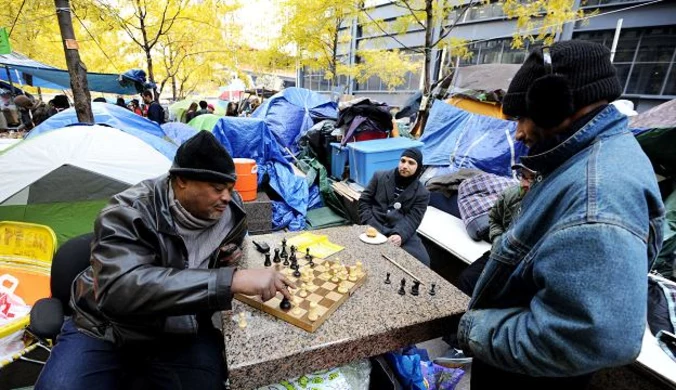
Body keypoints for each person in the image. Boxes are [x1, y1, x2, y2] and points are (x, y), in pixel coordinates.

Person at [456, 40, 665, 389]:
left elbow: (596, 338)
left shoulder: (598, 196)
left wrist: (473, 328)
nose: (519, 133)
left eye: (523, 116)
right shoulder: (588, 160)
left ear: (554, 105)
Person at [35, 131, 294, 389]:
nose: (227, 197)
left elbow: (223, 254)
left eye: (229, 188)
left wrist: (226, 261)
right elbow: (119, 288)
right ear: (181, 181)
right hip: (106, 328)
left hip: (180, 325)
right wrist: (230, 280)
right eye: (217, 189)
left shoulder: (231, 211)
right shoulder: (127, 213)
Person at [358, 148, 430, 266]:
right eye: (403, 161)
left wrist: (400, 235)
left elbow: (414, 218)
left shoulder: (422, 193)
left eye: (411, 163)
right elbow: (364, 201)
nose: (405, 165)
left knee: (423, 261)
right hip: (374, 224)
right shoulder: (379, 176)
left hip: (399, 229)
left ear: (419, 167)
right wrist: (369, 223)